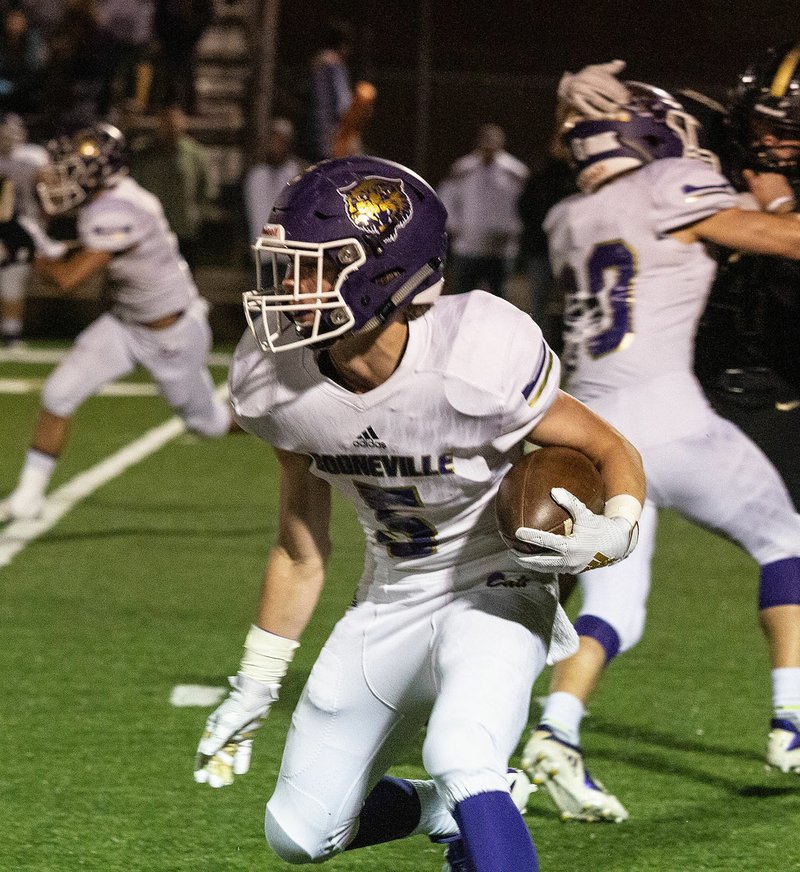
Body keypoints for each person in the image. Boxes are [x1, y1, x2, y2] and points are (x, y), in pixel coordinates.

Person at [192, 155, 646, 872]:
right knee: (300, 835)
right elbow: (300, 548)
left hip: (499, 582)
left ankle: (474, 797)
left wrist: (616, 527)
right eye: (288, 266)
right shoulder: (273, 379)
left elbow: (606, 445)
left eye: (317, 268)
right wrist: (256, 677)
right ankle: (444, 808)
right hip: (391, 597)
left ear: (386, 274)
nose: (290, 287)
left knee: (463, 750)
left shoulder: (474, 354)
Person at [520, 64, 800, 825]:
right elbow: (781, 237)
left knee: (617, 606)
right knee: (787, 543)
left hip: (596, 435)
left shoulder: (568, 217)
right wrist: (773, 193)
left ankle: (557, 731)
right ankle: (791, 722)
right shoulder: (670, 185)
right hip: (675, 423)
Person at [0, 122, 232, 523]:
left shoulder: (119, 209)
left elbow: (69, 279)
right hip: (125, 324)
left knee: (207, 424)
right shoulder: (107, 203)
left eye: (73, 167)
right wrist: (37, 243)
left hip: (169, 334)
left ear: (101, 171)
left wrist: (26, 251)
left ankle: (275, 426)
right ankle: (28, 498)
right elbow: (79, 251)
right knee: (58, 395)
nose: (62, 176)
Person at [438, 124, 529, 298]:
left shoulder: (515, 171)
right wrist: (453, 227)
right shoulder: (463, 168)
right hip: (467, 246)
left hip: (500, 248)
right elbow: (447, 198)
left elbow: (524, 206)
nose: (489, 145)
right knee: (462, 297)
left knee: (498, 299)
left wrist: (515, 230)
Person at [129, 104, 214, 269]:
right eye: (166, 123)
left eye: (175, 124)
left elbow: (206, 189)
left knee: (184, 275)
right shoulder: (143, 153)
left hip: (183, 227)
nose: (171, 128)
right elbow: (133, 186)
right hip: (149, 228)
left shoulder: (195, 153)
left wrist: (198, 215)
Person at [0, 112, 47, 347]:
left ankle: (11, 334)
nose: (7, 137)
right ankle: (11, 334)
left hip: (23, 227)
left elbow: (48, 189)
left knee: (13, 278)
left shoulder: (32, 157)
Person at [298, 21, 354, 164]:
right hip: (330, 137)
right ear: (342, 45)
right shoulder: (335, 67)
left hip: (310, 134)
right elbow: (343, 104)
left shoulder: (315, 66)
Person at [242, 116, 303, 246]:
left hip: (289, 250)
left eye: (280, 140)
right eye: (272, 140)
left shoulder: (297, 175)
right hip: (262, 249)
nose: (274, 145)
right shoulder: (255, 176)